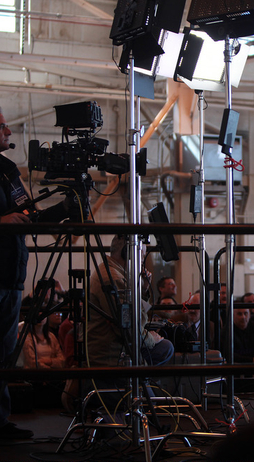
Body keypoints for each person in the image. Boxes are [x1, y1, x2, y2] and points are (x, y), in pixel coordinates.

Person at [0, 107, 73, 439]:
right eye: (2, 128)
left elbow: (30, 216)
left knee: (4, 354)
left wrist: (64, 209)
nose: (8, 133)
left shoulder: (7, 170)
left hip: (12, 275)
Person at [87, 235, 174, 368]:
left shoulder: (111, 271)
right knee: (166, 347)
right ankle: (138, 382)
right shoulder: (114, 279)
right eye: (142, 256)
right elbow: (130, 330)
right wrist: (151, 339)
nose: (142, 261)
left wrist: (143, 290)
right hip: (111, 354)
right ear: (128, 252)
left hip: (110, 347)